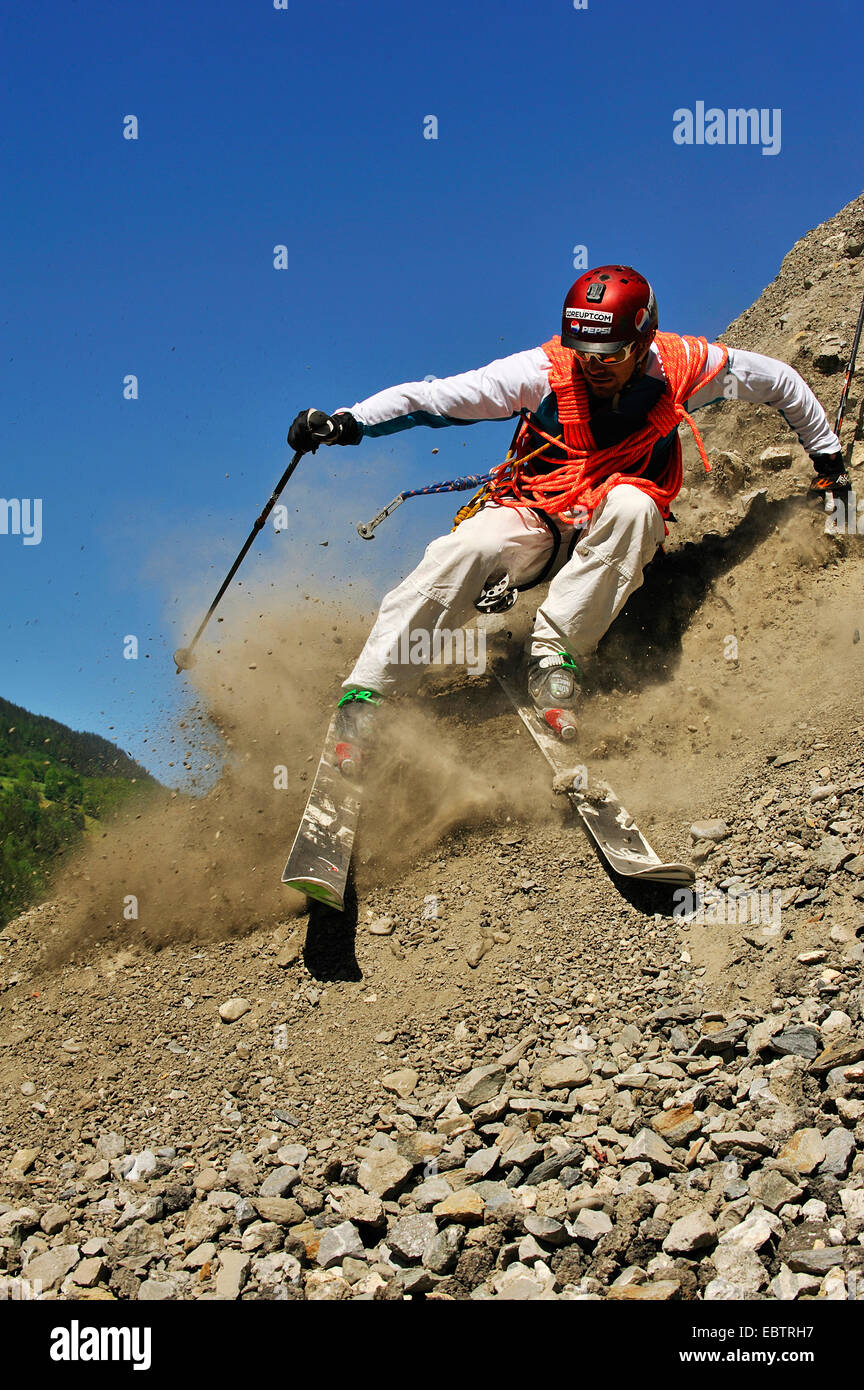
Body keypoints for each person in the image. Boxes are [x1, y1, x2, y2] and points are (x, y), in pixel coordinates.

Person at [288, 265, 845, 772]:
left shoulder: (687, 369)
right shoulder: (541, 372)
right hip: (538, 515)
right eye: (584, 350)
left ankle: (555, 657)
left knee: (635, 505)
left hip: (611, 521)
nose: (593, 365)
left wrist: (827, 458)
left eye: (609, 353)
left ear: (644, 339)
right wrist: (346, 422)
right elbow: (432, 399)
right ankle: (367, 694)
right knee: (464, 549)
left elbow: (780, 381)